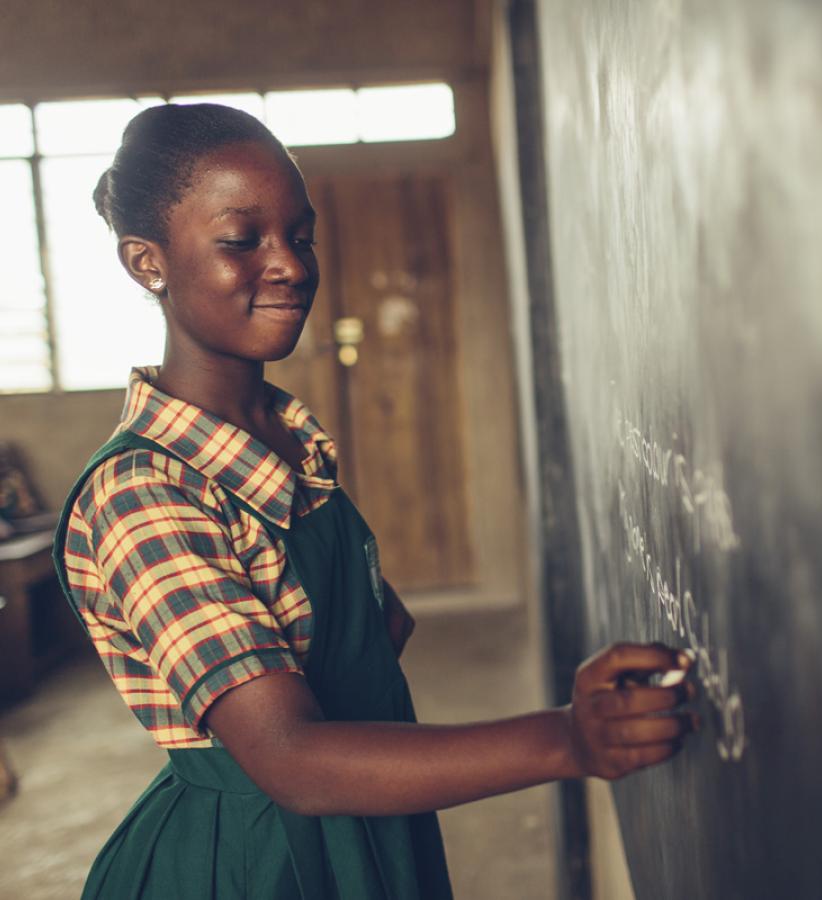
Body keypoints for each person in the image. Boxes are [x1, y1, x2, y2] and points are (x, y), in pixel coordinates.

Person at [51, 103, 696, 900]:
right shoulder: (145, 492)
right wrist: (567, 738)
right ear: (148, 262)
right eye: (241, 240)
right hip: (255, 862)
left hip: (364, 819)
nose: (289, 264)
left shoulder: (286, 437)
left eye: (300, 234)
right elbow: (291, 761)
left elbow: (379, 623)